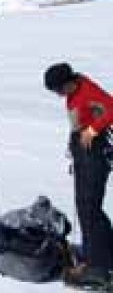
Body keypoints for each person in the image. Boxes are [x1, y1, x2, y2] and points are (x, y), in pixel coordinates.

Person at [44, 62, 113, 286]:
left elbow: (111, 107)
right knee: (85, 207)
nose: (58, 95)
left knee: (90, 208)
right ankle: (98, 255)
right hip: (84, 153)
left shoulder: (87, 90)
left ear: (68, 82)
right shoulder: (76, 89)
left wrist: (93, 130)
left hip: (94, 154)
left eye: (58, 89)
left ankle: (99, 267)